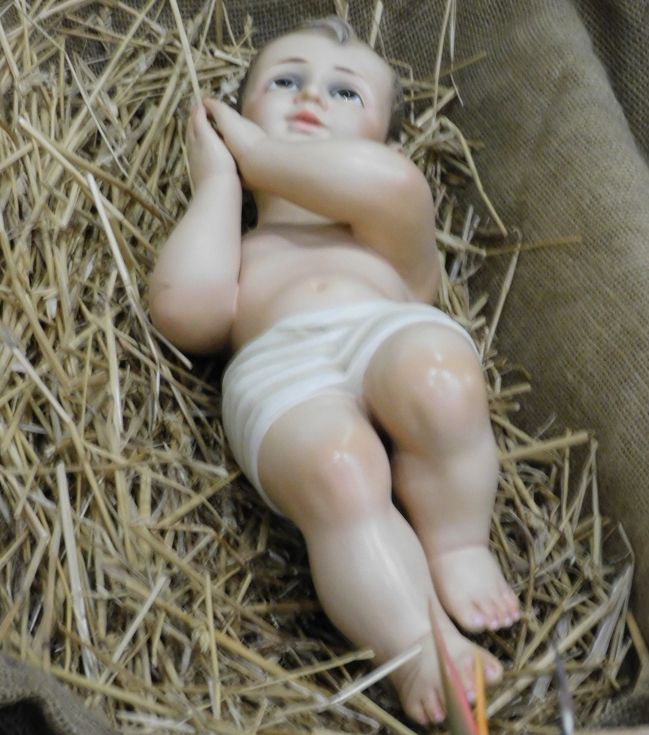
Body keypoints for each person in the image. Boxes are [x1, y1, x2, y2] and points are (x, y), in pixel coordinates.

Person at [149, 16, 520, 725]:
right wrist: (220, 183)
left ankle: (457, 542)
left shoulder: (384, 222)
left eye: (346, 92)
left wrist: (262, 156)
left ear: (383, 134)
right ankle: (417, 645)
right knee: (336, 471)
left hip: (386, 329)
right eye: (284, 81)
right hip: (281, 369)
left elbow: (392, 183)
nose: (311, 96)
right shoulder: (243, 242)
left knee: (439, 385)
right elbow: (185, 309)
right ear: (241, 109)